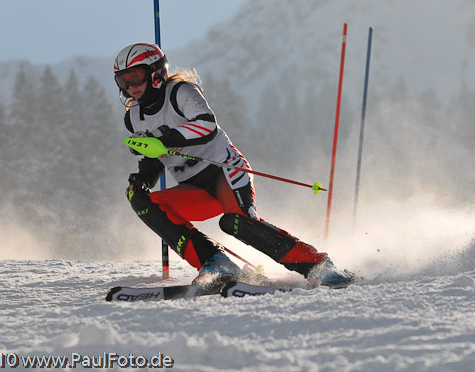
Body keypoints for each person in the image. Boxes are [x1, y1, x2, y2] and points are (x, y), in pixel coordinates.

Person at [114, 42, 351, 288]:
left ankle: (318, 266)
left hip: (224, 171)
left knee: (235, 223)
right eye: (123, 81)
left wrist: (163, 137)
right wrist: (144, 178)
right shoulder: (134, 116)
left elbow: (206, 125)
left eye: (135, 76)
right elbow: (154, 156)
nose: (130, 86)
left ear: (155, 72)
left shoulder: (180, 92)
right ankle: (216, 263)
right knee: (139, 198)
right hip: (193, 186)